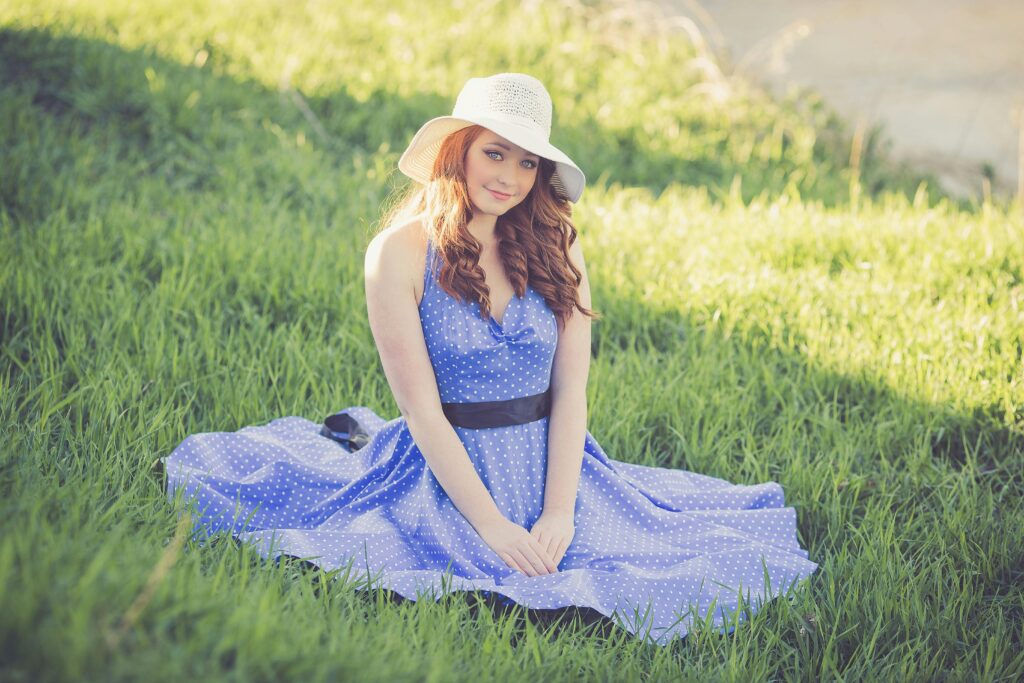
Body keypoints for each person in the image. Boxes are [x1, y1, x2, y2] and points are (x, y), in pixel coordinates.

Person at [161, 73, 818, 646]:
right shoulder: (399, 252)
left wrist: (558, 512)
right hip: (447, 467)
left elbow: (572, 395)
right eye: (495, 153)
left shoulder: (558, 243)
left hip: (552, 464)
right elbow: (419, 407)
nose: (509, 176)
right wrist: (494, 526)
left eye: (528, 162)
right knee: (447, 557)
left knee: (665, 556)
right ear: (459, 151)